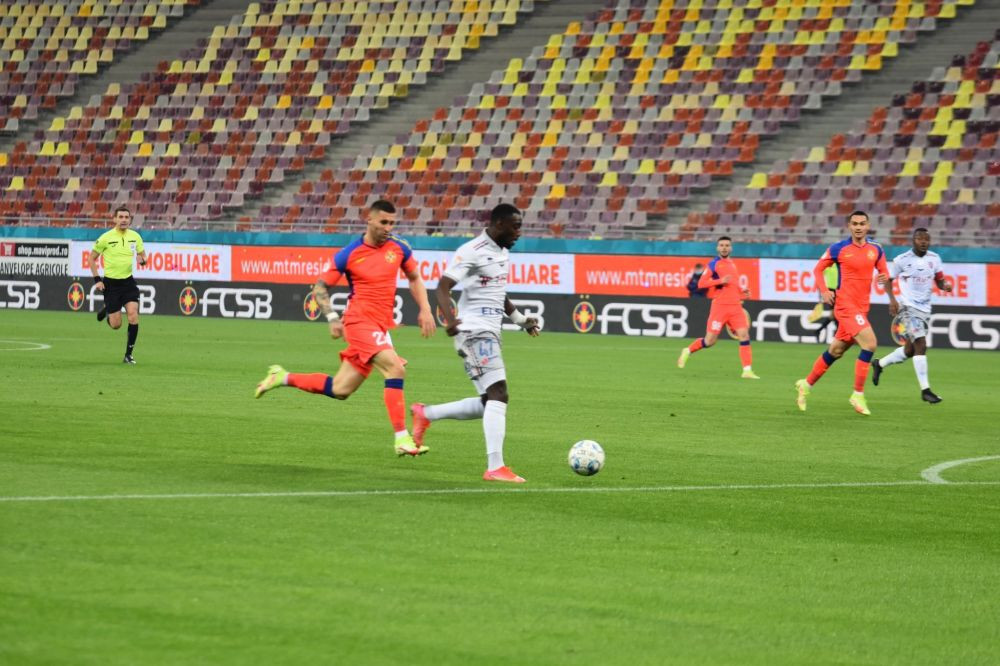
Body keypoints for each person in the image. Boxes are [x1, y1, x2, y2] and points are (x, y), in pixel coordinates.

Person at [254, 200, 436, 456]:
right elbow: (320, 287)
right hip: (359, 322)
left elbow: (415, 278)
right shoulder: (349, 253)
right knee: (394, 369)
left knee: (340, 390)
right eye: (383, 222)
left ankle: (281, 376)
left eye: (392, 223)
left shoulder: (400, 247)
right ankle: (401, 439)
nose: (388, 228)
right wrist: (331, 317)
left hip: (380, 327)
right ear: (369, 220)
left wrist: (426, 309)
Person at [410, 204, 540, 483]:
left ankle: (426, 413)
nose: (519, 232)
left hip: (490, 332)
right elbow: (442, 286)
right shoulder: (472, 250)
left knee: (489, 401)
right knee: (500, 393)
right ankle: (495, 467)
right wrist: (450, 320)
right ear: (498, 224)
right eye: (515, 226)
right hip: (474, 332)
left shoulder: (502, 252)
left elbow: (497, 291)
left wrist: (520, 320)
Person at [795, 211, 896, 415]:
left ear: (868, 226)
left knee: (836, 351)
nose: (858, 227)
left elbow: (885, 276)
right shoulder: (838, 248)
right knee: (870, 344)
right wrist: (824, 290)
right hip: (844, 305)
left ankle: (806, 385)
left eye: (862, 223)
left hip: (862, 308)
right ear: (849, 226)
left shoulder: (876, 249)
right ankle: (857, 394)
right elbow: (818, 270)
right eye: (855, 223)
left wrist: (892, 298)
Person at [871, 228, 952, 403]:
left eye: (926, 239)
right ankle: (926, 391)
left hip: (925, 309)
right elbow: (888, 281)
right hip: (908, 308)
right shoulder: (902, 260)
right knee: (921, 345)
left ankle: (879, 364)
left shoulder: (934, 259)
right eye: (920, 238)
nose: (923, 241)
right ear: (913, 240)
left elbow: (939, 279)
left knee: (910, 350)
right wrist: (892, 300)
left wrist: (944, 285)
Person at [677, 236, 759, 378]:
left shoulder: (732, 264)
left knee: (744, 335)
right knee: (710, 341)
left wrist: (742, 291)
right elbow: (701, 284)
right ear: (717, 248)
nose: (724, 248)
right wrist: (720, 280)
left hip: (735, 307)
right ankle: (688, 351)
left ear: (731, 248)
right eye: (721, 245)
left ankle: (747, 370)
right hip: (720, 307)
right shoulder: (713, 264)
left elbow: (733, 284)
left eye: (727, 245)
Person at [90, 206, 147, 364]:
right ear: (114, 219)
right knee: (116, 325)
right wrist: (97, 280)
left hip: (128, 282)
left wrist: (142, 260)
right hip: (111, 284)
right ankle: (109, 310)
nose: (123, 220)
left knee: (133, 316)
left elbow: (143, 255)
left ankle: (128, 355)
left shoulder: (135, 237)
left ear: (130, 220)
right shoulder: (105, 238)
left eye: (126, 217)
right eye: (120, 217)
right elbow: (91, 258)